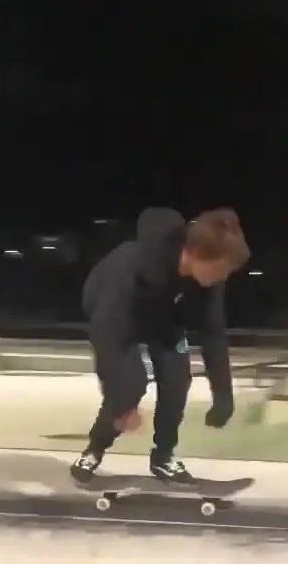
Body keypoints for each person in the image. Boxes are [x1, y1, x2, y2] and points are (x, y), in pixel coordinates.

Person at [71, 206, 250, 485]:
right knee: (129, 387)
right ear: (194, 253)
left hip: (166, 319)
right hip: (116, 312)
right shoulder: (135, 269)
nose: (223, 277)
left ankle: (163, 456)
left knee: (178, 379)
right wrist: (122, 405)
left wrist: (223, 395)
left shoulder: (209, 282)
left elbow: (214, 334)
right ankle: (95, 447)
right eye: (221, 269)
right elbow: (106, 339)